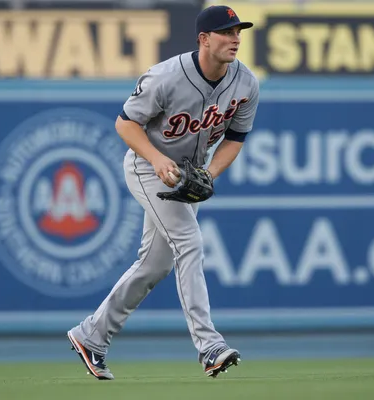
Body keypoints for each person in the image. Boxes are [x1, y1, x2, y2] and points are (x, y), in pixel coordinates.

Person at [67, 5, 260, 380]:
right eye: (227, 32)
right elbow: (125, 124)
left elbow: (235, 138)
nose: (236, 38)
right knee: (189, 242)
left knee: (154, 265)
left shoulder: (246, 83)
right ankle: (209, 346)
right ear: (204, 39)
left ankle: (91, 335)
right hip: (147, 167)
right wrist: (156, 159)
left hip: (188, 173)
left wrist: (209, 173)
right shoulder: (166, 76)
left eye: (239, 31)